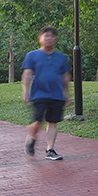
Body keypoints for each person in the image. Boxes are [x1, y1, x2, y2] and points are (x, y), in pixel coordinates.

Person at [22, 27, 71, 161]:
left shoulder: (61, 57)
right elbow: (27, 73)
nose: (48, 38)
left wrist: (67, 94)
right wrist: (25, 91)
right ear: (40, 39)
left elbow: (65, 76)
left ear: (55, 39)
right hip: (39, 94)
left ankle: (50, 150)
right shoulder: (32, 55)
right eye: (45, 36)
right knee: (38, 121)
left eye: (51, 36)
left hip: (56, 95)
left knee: (53, 122)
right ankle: (31, 137)